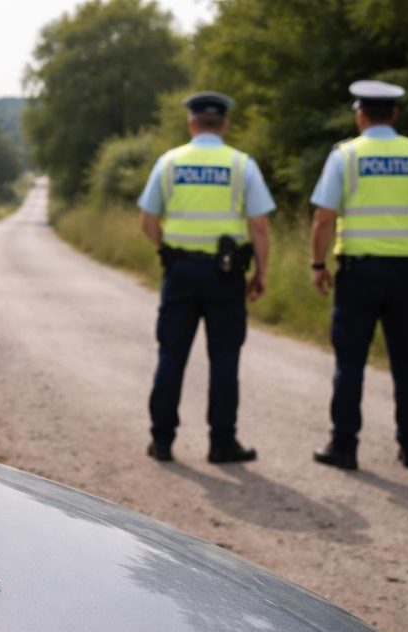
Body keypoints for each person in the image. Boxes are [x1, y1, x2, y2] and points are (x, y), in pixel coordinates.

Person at [309, 80, 408, 470]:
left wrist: (318, 265)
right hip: (406, 273)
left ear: (360, 115)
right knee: (407, 361)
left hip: (358, 274)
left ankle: (343, 447)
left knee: (350, 362)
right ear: (394, 114)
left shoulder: (345, 155)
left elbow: (324, 217)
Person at [137, 91, 275, 463]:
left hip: (179, 272)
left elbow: (147, 221)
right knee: (225, 360)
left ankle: (162, 440)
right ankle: (222, 443)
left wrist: (166, 250)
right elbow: (260, 226)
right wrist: (261, 272)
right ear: (224, 124)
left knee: (171, 355)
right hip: (226, 276)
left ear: (192, 123)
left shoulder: (169, 163)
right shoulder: (241, 165)